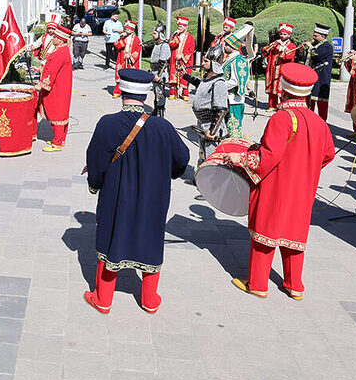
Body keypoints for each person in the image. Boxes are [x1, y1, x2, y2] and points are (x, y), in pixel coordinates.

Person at [224, 63, 336, 300]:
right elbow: (328, 154)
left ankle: (257, 283)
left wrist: (240, 157)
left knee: (266, 229)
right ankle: (294, 285)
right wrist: (306, 169)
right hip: (304, 188)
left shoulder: (282, 118)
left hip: (276, 185)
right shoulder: (318, 121)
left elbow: (267, 157)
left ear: (283, 90)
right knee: (295, 232)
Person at [83, 68, 190, 314]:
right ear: (146, 95)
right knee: (151, 237)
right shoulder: (163, 127)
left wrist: (95, 184)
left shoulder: (107, 123)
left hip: (117, 196)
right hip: (153, 197)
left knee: (111, 238)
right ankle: (150, 300)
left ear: (120, 90)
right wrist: (167, 173)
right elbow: (182, 160)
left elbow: (96, 161)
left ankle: (103, 298)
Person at [36, 26, 73, 152]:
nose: (54, 39)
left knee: (56, 112)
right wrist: (40, 69)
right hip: (62, 86)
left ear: (61, 40)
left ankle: (57, 144)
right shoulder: (63, 50)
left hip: (57, 87)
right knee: (62, 112)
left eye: (56, 37)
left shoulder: (60, 53)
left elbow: (52, 70)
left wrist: (41, 85)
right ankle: (60, 139)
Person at [192, 58, 231, 157]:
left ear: (215, 64)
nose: (202, 63)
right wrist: (185, 75)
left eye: (206, 61)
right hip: (202, 123)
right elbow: (200, 85)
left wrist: (212, 131)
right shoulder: (207, 79)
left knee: (212, 158)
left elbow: (221, 110)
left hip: (212, 125)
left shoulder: (219, 83)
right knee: (202, 156)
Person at [221, 24, 253, 134]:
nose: (224, 46)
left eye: (226, 44)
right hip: (227, 99)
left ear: (232, 46)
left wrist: (219, 85)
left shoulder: (238, 60)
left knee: (233, 131)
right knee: (226, 129)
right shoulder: (230, 58)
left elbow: (235, 81)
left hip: (234, 100)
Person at [261, 23, 297, 109]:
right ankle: (272, 105)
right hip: (272, 68)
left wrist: (283, 48)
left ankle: (283, 105)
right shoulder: (275, 43)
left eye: (285, 34)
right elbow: (265, 51)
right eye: (281, 34)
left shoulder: (292, 45)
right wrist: (271, 46)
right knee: (272, 85)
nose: (282, 36)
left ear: (289, 35)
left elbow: (289, 56)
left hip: (284, 69)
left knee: (282, 87)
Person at [309, 23, 333, 121]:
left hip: (322, 76)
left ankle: (322, 121)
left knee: (321, 99)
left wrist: (310, 47)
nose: (313, 37)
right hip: (313, 74)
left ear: (322, 36)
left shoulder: (327, 46)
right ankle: (310, 118)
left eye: (315, 36)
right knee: (311, 98)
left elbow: (317, 55)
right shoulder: (317, 45)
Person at [168, 16, 196, 100]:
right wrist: (175, 37)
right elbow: (171, 44)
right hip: (175, 58)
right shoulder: (175, 35)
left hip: (185, 60)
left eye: (181, 26)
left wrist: (183, 56)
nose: (179, 28)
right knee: (173, 75)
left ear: (186, 27)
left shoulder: (190, 37)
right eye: (178, 26)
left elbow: (191, 50)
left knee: (185, 76)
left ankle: (185, 93)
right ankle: (173, 93)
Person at [113, 21, 142, 97]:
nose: (127, 31)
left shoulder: (136, 39)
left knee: (131, 75)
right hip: (122, 58)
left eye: (128, 29)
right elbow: (116, 45)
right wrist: (121, 38)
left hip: (130, 60)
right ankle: (118, 91)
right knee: (120, 74)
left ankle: (129, 92)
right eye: (126, 29)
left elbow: (138, 50)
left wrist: (130, 56)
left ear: (132, 30)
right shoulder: (123, 37)